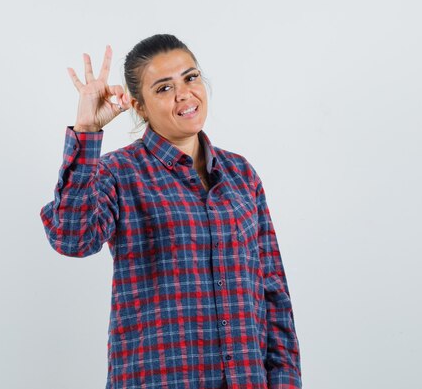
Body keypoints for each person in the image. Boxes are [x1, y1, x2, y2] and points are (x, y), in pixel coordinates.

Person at [40, 34, 302, 389]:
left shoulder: (241, 174)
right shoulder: (118, 173)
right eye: (164, 88)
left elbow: (273, 292)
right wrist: (87, 129)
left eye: (190, 78)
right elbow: (72, 239)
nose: (184, 94)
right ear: (139, 106)